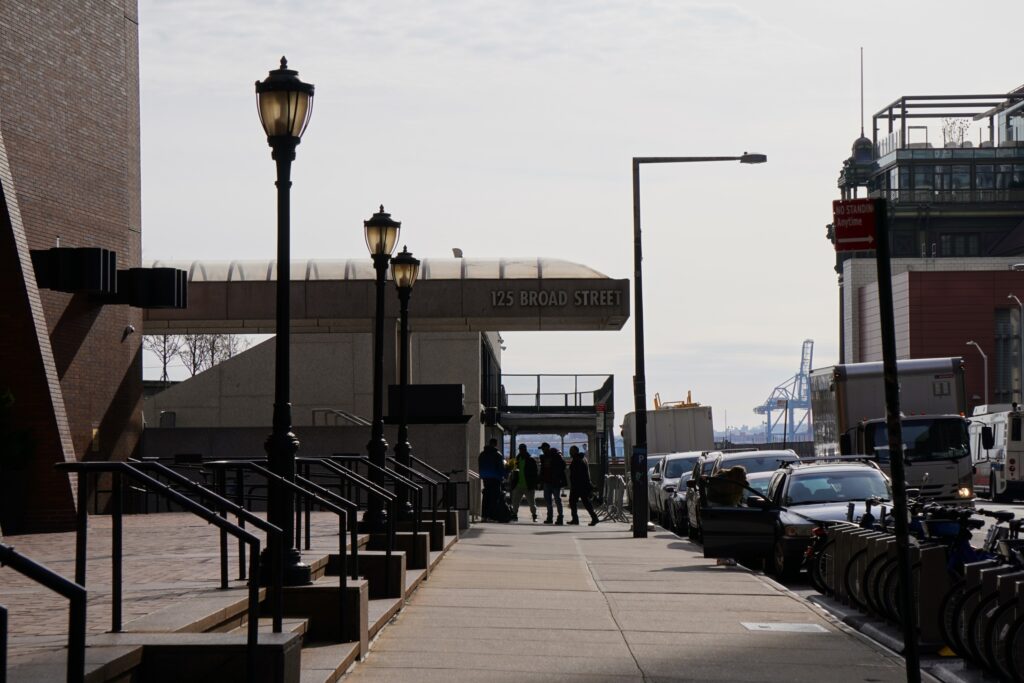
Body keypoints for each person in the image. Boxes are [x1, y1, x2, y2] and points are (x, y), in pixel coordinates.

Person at [568, 446, 599, 526]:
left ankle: (576, 519)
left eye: (571, 451)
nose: (569, 452)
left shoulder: (577, 460)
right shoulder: (582, 459)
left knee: (573, 502)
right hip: (583, 485)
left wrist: (574, 484)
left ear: (575, 451)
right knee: (586, 502)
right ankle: (594, 517)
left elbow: (577, 474)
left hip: (578, 485)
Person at [478, 438, 505, 521]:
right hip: (495, 478)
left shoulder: (482, 454)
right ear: (496, 444)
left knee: (486, 496)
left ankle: (484, 516)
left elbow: (480, 465)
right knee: (494, 497)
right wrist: (502, 476)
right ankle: (491, 516)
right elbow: (500, 468)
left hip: (486, 478)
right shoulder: (497, 454)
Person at [509, 443, 539, 521]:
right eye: (521, 449)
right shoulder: (517, 460)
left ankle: (534, 515)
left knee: (531, 503)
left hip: (528, 485)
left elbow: (535, 473)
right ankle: (515, 514)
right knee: (516, 502)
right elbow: (512, 471)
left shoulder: (529, 460)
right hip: (519, 485)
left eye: (522, 449)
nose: (521, 451)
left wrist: (534, 483)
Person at [538, 442, 566, 525]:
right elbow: (543, 470)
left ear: (547, 448)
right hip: (550, 481)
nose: (542, 450)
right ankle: (553, 517)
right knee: (553, 500)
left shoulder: (555, 455)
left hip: (553, 482)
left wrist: (555, 474)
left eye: (543, 448)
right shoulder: (545, 457)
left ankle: (556, 517)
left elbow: (562, 465)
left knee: (554, 500)